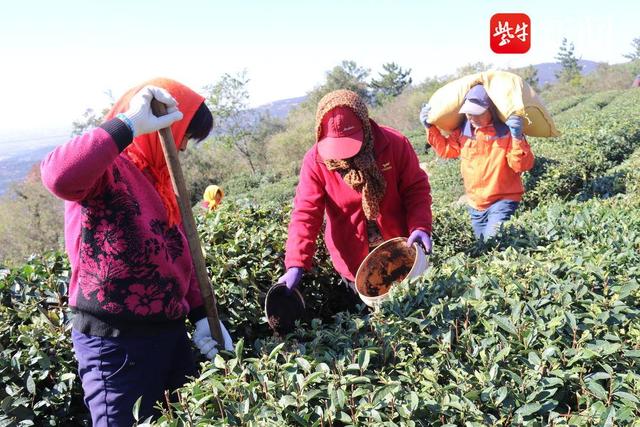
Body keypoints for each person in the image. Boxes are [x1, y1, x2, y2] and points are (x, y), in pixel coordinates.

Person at [40, 78, 233, 426]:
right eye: (186, 135)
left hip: (169, 334)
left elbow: (176, 252)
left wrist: (202, 314)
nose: (185, 148)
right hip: (115, 345)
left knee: (189, 418)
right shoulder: (107, 168)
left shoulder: (161, 177)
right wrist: (128, 124)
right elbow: (58, 177)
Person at [278, 89, 433, 309]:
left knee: (416, 311)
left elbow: (415, 189)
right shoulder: (316, 161)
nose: (344, 155)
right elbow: (306, 213)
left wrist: (420, 226)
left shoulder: (394, 143)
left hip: (402, 250)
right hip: (354, 259)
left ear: (365, 125)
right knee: (378, 322)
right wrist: (296, 262)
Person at [419, 84, 535, 240]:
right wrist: (430, 128)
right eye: (468, 113)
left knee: (492, 242)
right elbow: (447, 151)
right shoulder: (463, 132)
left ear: (490, 110)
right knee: (482, 248)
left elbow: (521, 165)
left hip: (503, 201)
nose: (472, 117)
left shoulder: (506, 132)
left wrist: (517, 137)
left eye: (477, 113)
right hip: (475, 205)